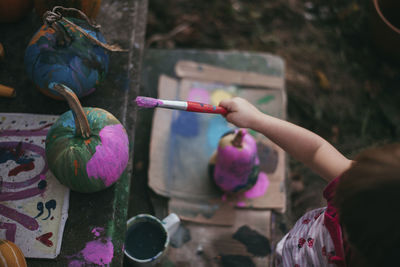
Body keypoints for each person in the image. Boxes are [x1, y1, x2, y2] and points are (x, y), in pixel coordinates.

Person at [219, 97, 400, 267]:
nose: (339, 202)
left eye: (345, 218)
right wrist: (257, 119)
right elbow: (315, 151)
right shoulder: (371, 183)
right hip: (293, 246)